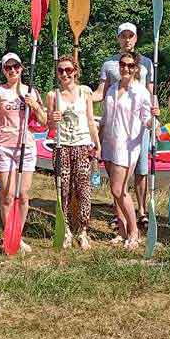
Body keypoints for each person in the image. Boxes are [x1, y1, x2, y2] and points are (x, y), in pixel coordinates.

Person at [93, 22, 158, 228]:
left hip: (138, 125)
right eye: (123, 36)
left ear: (136, 38)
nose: (127, 39)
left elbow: (150, 92)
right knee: (117, 177)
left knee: (141, 170)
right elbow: (101, 92)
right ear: (118, 38)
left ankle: (142, 211)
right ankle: (119, 215)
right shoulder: (109, 64)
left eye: (131, 36)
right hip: (116, 127)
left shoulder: (147, 63)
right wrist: (80, 95)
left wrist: (155, 119)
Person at [0, 52, 47, 252]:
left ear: (21, 68)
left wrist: (34, 105)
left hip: (26, 147)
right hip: (3, 147)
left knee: (23, 194)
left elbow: (44, 121)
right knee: (8, 195)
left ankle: (17, 236)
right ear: (3, 70)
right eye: (8, 67)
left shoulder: (30, 91)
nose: (12, 70)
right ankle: (9, 235)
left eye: (16, 67)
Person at [99, 51, 153, 250]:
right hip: (109, 142)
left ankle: (134, 232)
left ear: (136, 68)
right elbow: (105, 117)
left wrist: (153, 120)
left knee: (119, 189)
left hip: (127, 146)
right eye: (123, 64)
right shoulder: (112, 88)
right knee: (115, 192)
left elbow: (147, 120)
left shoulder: (140, 92)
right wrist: (97, 141)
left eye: (130, 65)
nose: (126, 68)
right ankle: (121, 231)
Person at [47, 55, 101, 249]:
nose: (64, 74)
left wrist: (97, 144)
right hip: (61, 146)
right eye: (60, 70)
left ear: (75, 71)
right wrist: (53, 119)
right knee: (63, 189)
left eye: (68, 70)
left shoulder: (84, 92)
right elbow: (49, 126)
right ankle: (66, 229)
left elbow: (90, 120)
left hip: (82, 145)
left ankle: (83, 230)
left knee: (83, 189)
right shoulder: (53, 95)